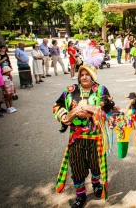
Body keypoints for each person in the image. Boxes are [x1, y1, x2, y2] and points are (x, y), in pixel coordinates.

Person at [53, 64, 109, 208]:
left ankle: (96, 184)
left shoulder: (101, 90)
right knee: (76, 164)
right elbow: (58, 106)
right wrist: (63, 116)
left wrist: (92, 113)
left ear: (93, 75)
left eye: (87, 74)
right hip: (76, 136)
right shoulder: (71, 90)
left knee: (95, 162)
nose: (84, 77)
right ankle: (80, 193)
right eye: (81, 74)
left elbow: (108, 110)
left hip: (95, 135)